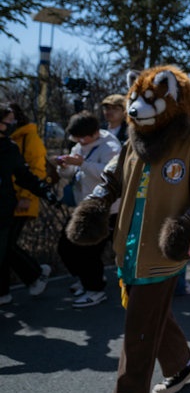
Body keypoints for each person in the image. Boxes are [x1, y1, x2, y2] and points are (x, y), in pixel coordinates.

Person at [66, 65, 190, 393]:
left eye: (150, 101)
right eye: (135, 100)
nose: (137, 109)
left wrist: (185, 227)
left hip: (162, 258)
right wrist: (94, 206)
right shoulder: (132, 145)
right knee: (151, 316)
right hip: (128, 252)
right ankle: (182, 364)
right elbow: (110, 181)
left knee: (137, 342)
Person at [56, 111, 121, 307]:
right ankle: (86, 279)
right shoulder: (80, 144)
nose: (79, 142)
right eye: (76, 138)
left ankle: (95, 290)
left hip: (106, 209)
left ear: (94, 133)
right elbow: (71, 173)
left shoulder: (111, 147)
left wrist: (82, 163)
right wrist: (64, 166)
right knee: (66, 247)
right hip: (83, 206)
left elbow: (111, 174)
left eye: (82, 138)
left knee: (88, 251)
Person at [0, 104, 59, 306]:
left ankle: (31, 277)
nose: (11, 124)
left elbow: (27, 174)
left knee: (5, 249)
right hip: (9, 204)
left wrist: (43, 192)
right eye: (8, 120)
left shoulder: (10, 147)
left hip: (5, 208)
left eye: (12, 120)